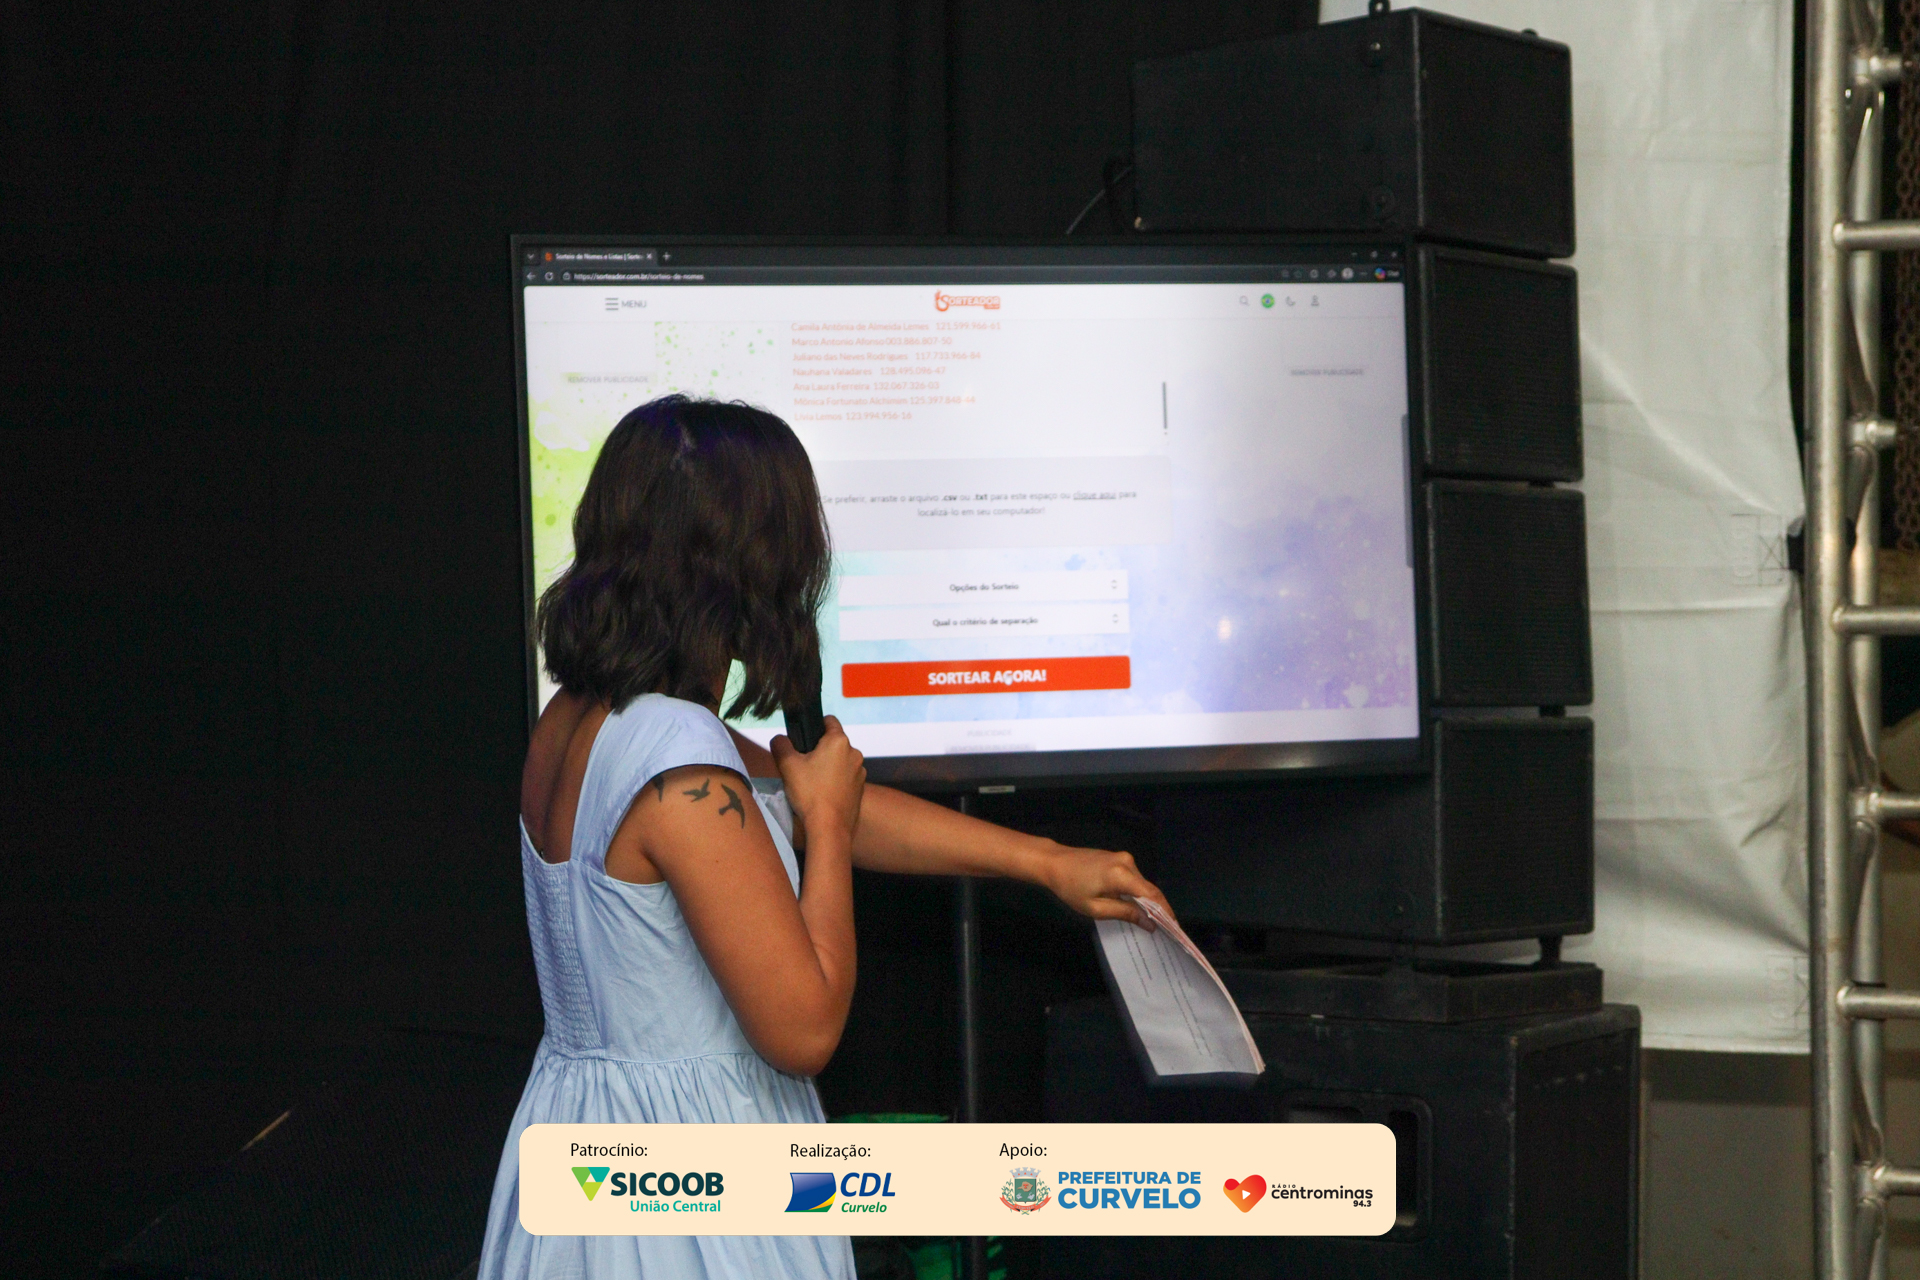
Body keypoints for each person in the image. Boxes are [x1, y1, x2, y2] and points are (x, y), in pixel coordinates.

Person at [480, 395, 1170, 1279]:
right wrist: (830, 828)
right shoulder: (680, 764)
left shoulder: (581, 718)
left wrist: (1045, 863)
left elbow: (783, 797)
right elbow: (804, 1028)